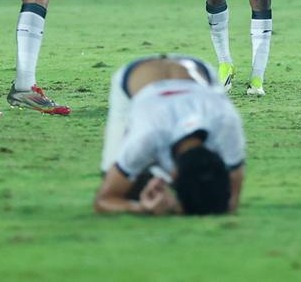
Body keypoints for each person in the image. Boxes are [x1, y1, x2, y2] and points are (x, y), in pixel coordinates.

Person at [95, 54, 245, 216]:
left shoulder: (226, 122)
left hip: (196, 71)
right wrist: (142, 208)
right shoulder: (145, 137)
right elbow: (104, 200)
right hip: (134, 77)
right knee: (127, 189)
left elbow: (232, 196)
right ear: (172, 175)